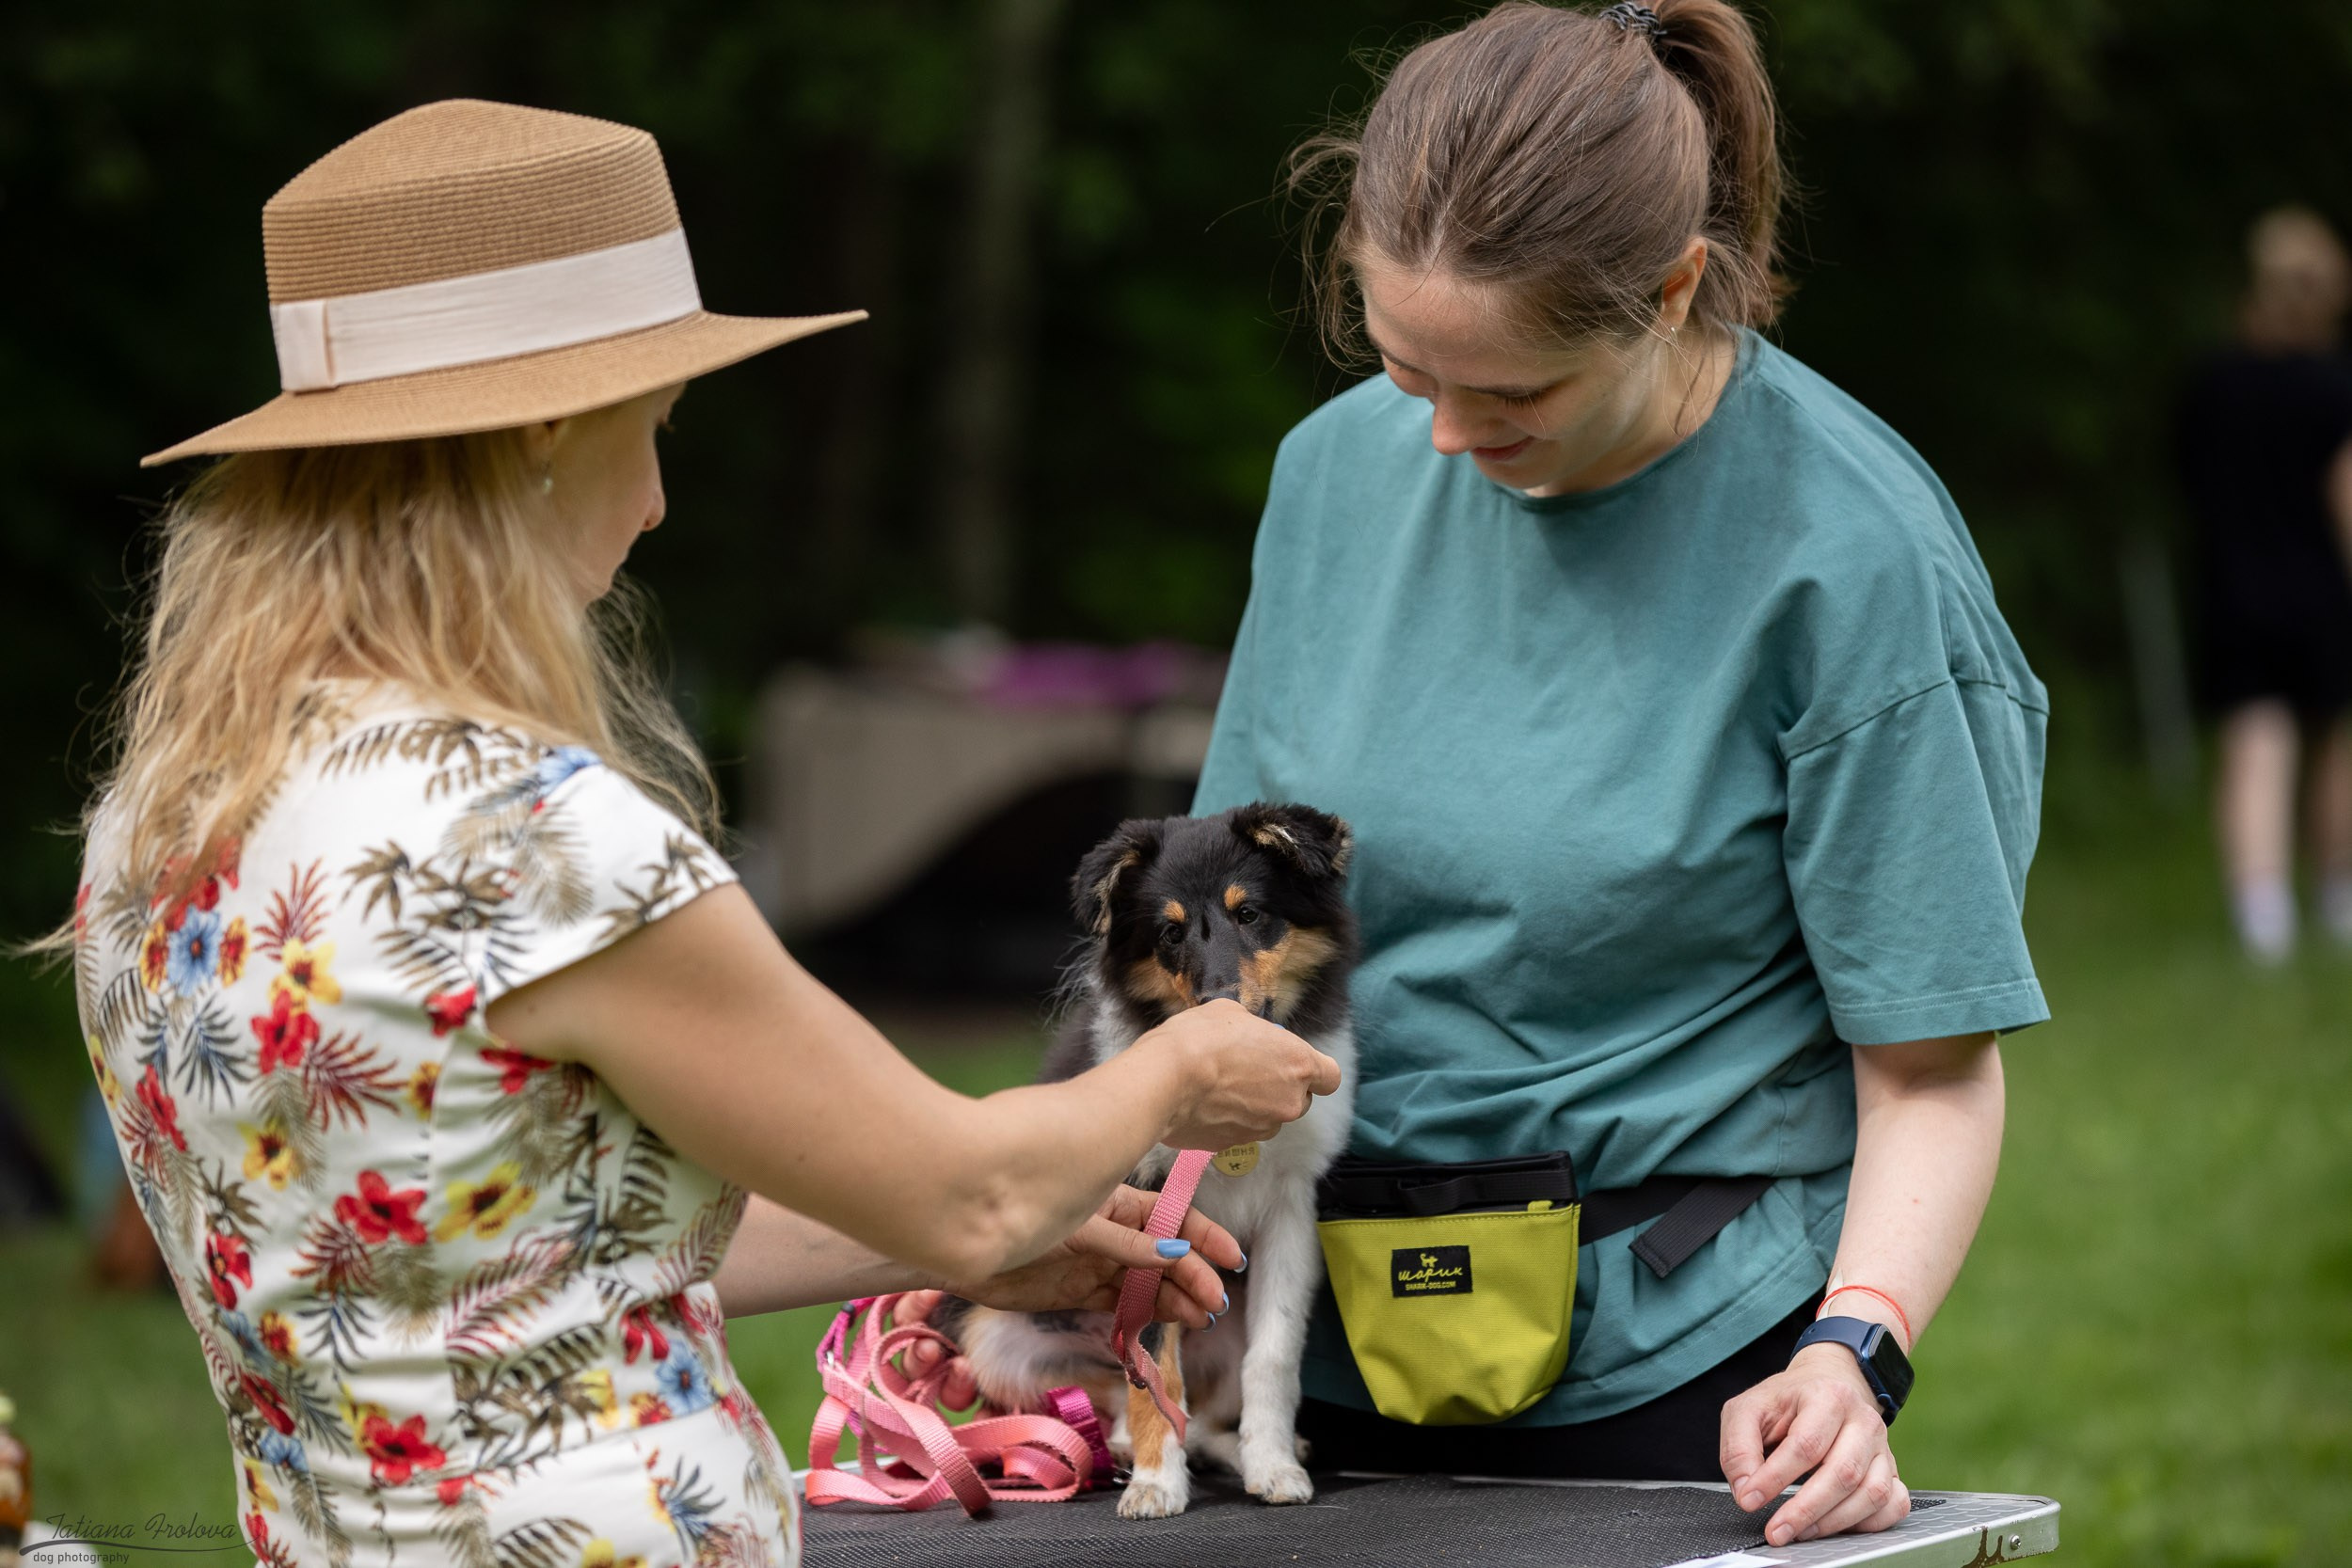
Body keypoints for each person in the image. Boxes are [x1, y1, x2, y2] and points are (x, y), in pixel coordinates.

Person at [66, 101, 1340, 1568]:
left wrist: (964, 1247)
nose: (662, 500)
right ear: (546, 430)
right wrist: (1181, 1063)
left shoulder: (163, 825)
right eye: (652, 426)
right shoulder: (534, 836)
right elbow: (965, 1177)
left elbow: (522, 1238)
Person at [1191, 0, 2043, 1547]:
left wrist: (1855, 1351)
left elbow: (1929, 1066)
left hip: (1671, 1360)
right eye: (1403, 371)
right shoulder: (1331, 473)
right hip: (1299, 1332)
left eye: (1510, 399)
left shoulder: (1854, 562)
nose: (1444, 437)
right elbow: (1228, 934)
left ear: (1671, 291)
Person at [2176, 207, 2352, 963]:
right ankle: (2340, 898)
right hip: (2321, 594)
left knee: (2256, 748)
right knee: (2334, 747)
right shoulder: (2334, 390)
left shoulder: (2213, 386)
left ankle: (2263, 917)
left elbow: (2188, 483)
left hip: (2234, 591)